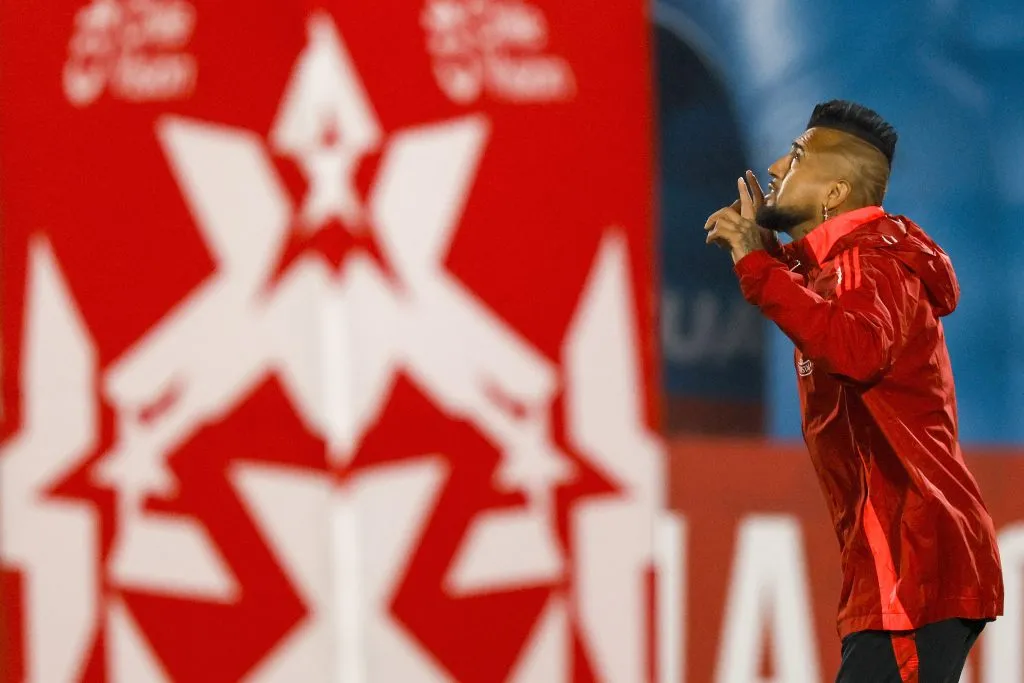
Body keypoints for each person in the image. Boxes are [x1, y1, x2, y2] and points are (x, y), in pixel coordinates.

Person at [704, 100, 1003, 682]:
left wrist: (758, 268)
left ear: (834, 194)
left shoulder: (872, 263)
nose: (773, 164)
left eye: (794, 156)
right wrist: (769, 261)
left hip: (912, 561)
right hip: (897, 562)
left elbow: (856, 349)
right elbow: (830, 315)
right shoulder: (843, 270)